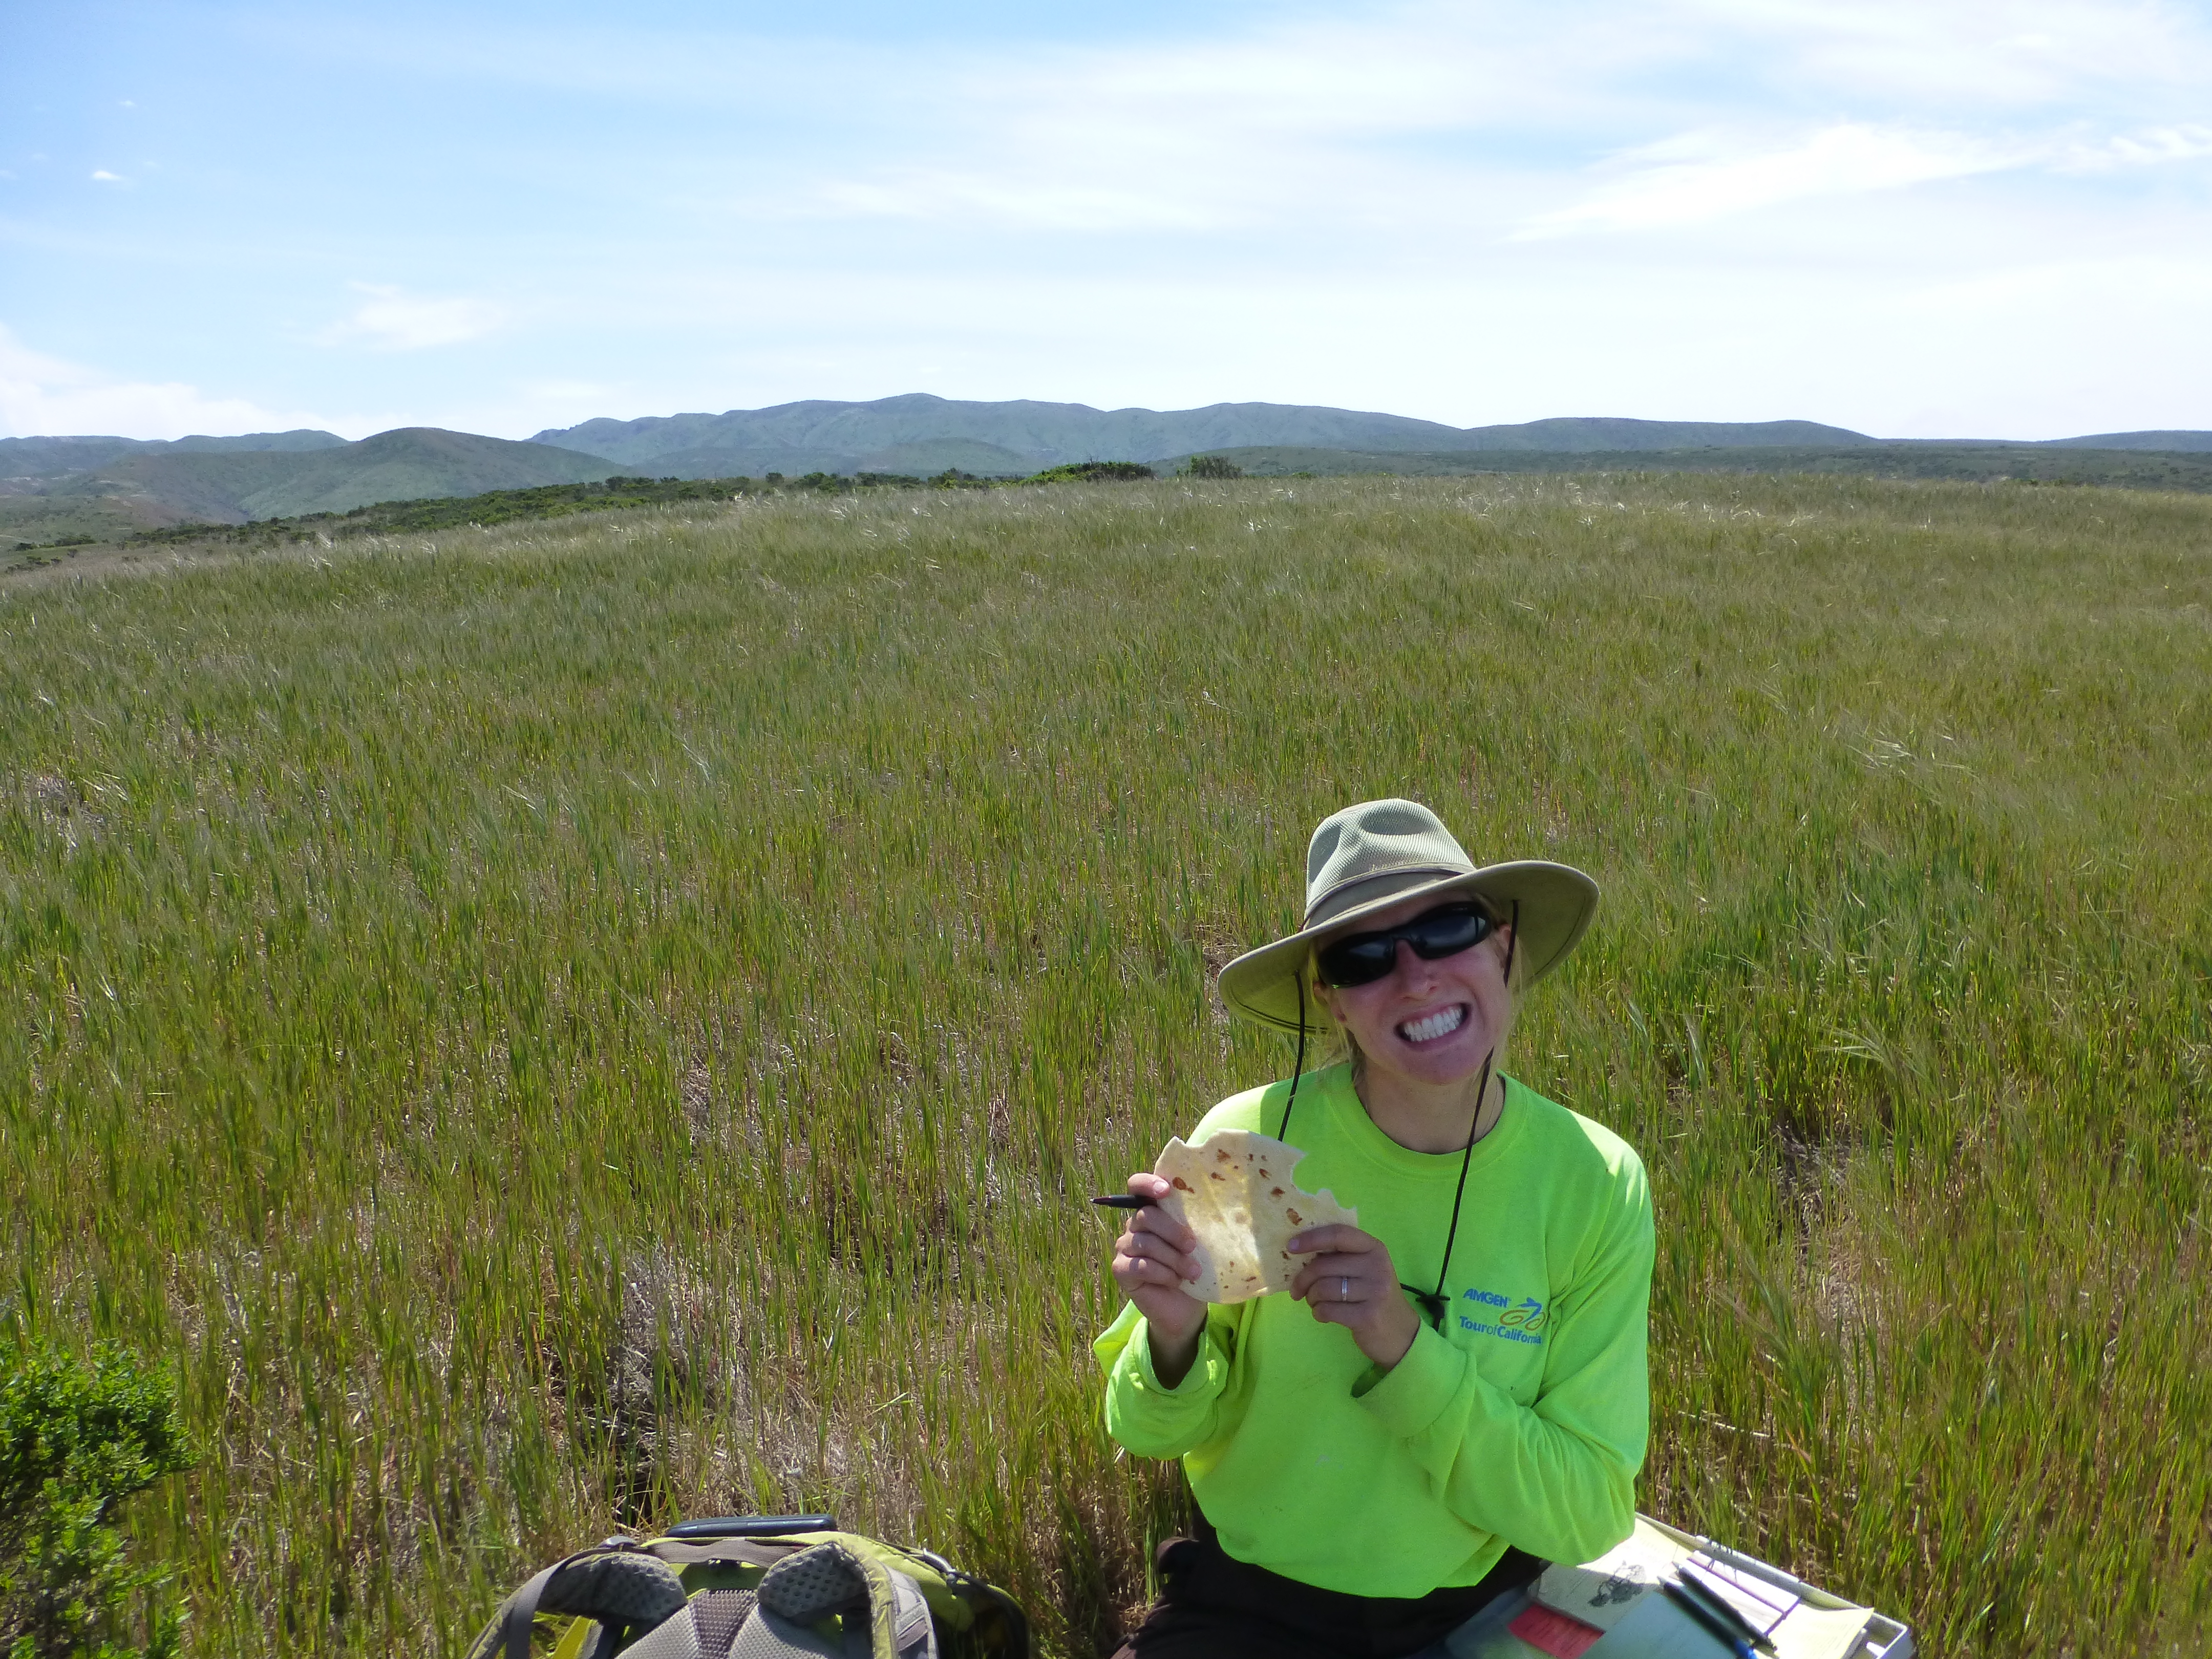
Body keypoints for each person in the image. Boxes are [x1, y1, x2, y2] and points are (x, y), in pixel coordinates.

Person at [1095, 798, 1655, 1659]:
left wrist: (1402, 1343)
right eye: (1362, 957)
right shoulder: (1245, 1144)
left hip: (1471, 1609)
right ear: (1331, 1000)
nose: (1415, 976)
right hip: (1253, 1604)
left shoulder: (1595, 1181)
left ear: (1503, 945)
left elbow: (1586, 1514)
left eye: (1447, 929)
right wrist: (1173, 1337)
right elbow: (1147, 1431)